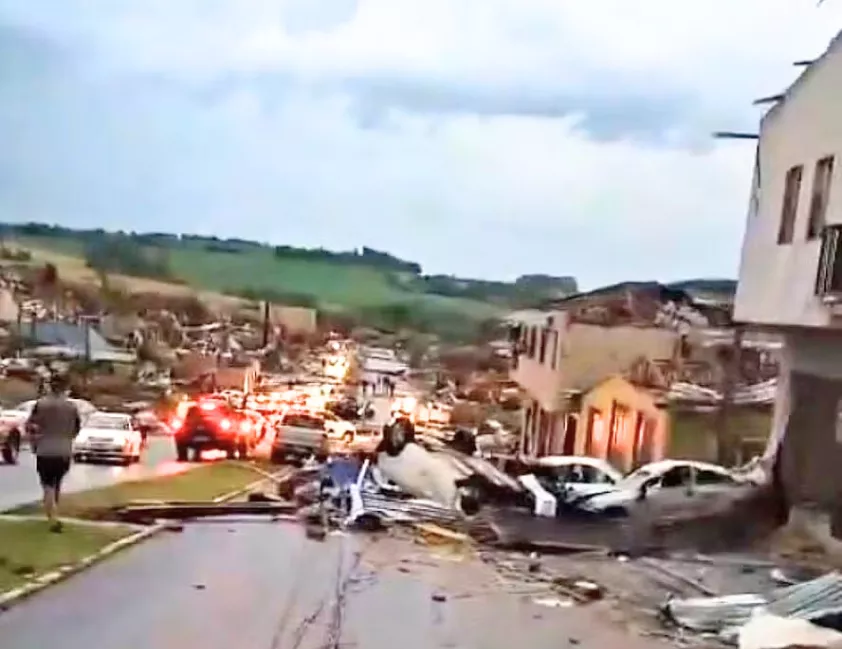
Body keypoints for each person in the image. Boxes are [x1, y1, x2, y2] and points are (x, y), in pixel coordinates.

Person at [26, 374, 81, 532]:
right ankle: (53, 512)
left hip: (45, 450)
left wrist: (34, 443)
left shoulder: (41, 405)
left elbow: (30, 426)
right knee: (56, 482)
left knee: (47, 484)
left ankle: (53, 519)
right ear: (65, 387)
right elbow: (76, 429)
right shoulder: (72, 407)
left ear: (50, 386)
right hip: (64, 451)